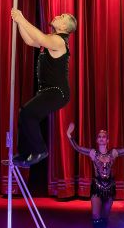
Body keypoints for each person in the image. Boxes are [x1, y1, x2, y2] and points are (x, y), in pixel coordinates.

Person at [10, 10, 77, 167]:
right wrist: (19, 22)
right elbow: (30, 40)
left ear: (64, 27)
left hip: (57, 92)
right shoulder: (51, 40)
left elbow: (40, 38)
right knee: (26, 115)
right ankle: (26, 153)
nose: (57, 16)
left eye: (62, 17)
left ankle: (40, 150)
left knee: (27, 113)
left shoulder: (59, 41)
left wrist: (22, 18)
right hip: (48, 91)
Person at [66, 123, 124, 228]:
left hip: (110, 187)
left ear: (107, 140)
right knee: (95, 215)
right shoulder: (93, 153)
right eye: (99, 137)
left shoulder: (113, 153)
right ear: (97, 140)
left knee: (105, 216)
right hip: (97, 186)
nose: (101, 138)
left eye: (104, 137)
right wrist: (69, 135)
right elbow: (77, 148)